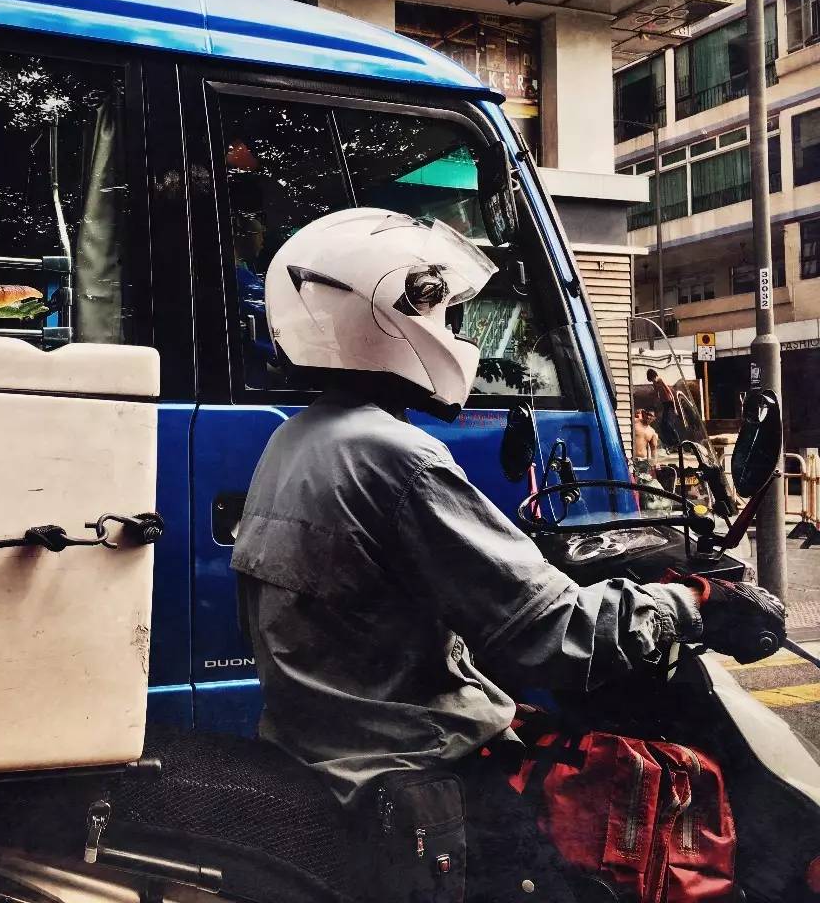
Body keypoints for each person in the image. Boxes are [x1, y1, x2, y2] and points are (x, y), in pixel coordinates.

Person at [229, 209, 784, 902]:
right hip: (414, 763)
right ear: (382, 315)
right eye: (439, 312)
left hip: (338, 745)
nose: (454, 335)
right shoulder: (394, 456)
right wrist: (695, 605)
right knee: (650, 836)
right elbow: (549, 635)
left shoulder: (301, 441)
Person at [647, 367, 680, 449]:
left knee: (667, 423)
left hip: (669, 402)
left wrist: (675, 408)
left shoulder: (661, 380)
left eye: (653, 379)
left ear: (655, 376)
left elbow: (670, 393)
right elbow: (656, 394)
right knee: (663, 424)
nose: (653, 381)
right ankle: (670, 443)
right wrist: (656, 404)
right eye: (651, 381)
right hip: (664, 403)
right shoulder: (654, 384)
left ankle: (677, 442)